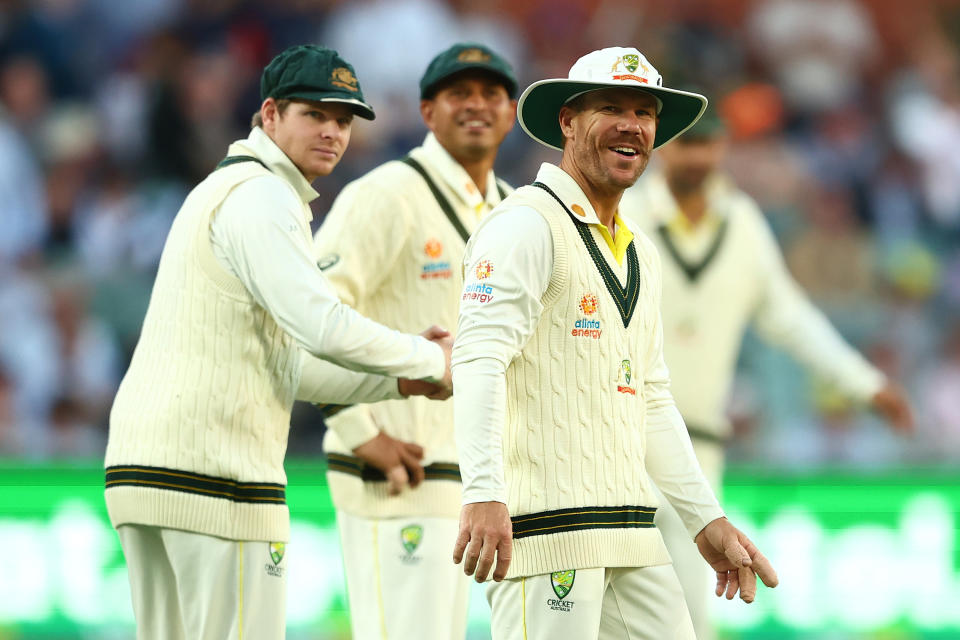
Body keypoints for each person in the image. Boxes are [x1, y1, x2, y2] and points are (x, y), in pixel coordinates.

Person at [103, 45, 455, 640]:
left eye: (343, 121)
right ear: (269, 115)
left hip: (148, 471)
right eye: (314, 114)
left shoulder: (230, 191)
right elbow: (319, 324)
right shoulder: (263, 196)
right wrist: (428, 357)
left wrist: (399, 380)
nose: (332, 132)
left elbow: (286, 363)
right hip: (216, 475)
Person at [450, 46, 778, 640]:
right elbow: (476, 359)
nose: (633, 125)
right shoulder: (526, 224)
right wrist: (482, 494)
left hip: (632, 530)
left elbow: (651, 397)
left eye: (645, 113)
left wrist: (706, 519)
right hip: (545, 531)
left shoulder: (637, 252)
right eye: (611, 107)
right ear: (567, 121)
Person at [619, 103, 913, 640]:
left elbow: (790, 318)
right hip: (614, 440)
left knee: (687, 619)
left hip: (696, 451)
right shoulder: (625, 212)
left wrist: (864, 384)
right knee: (599, 609)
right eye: (686, 142)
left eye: (707, 143)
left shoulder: (742, 224)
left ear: (722, 150)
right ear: (664, 147)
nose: (697, 155)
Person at [313, 42, 517, 640]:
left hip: (491, 487)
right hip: (401, 472)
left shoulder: (514, 211)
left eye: (490, 94)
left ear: (510, 111)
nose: (476, 105)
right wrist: (357, 429)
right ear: (428, 111)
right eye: (459, 94)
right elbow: (314, 317)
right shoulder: (386, 194)